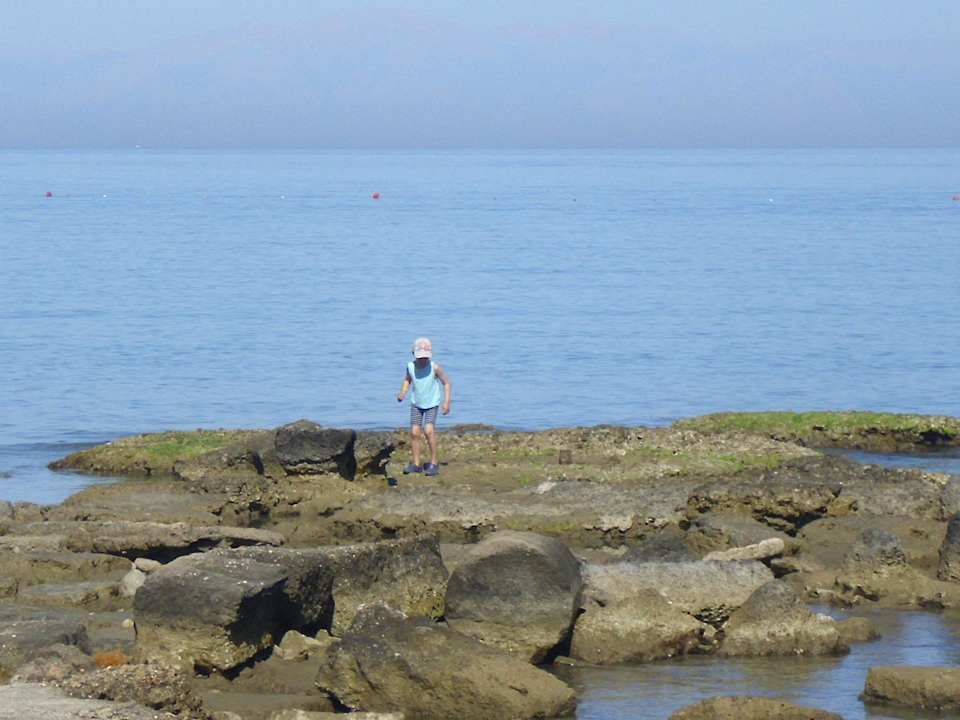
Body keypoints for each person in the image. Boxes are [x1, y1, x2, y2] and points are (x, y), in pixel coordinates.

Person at [396, 337, 451, 476]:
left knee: (428, 430)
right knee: (414, 432)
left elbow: (446, 383)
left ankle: (434, 462)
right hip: (417, 403)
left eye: (425, 357)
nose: (423, 360)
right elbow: (407, 380)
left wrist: (446, 402)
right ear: (413, 354)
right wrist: (402, 392)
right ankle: (416, 464)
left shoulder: (434, 367)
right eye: (420, 357)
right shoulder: (410, 366)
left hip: (432, 403)